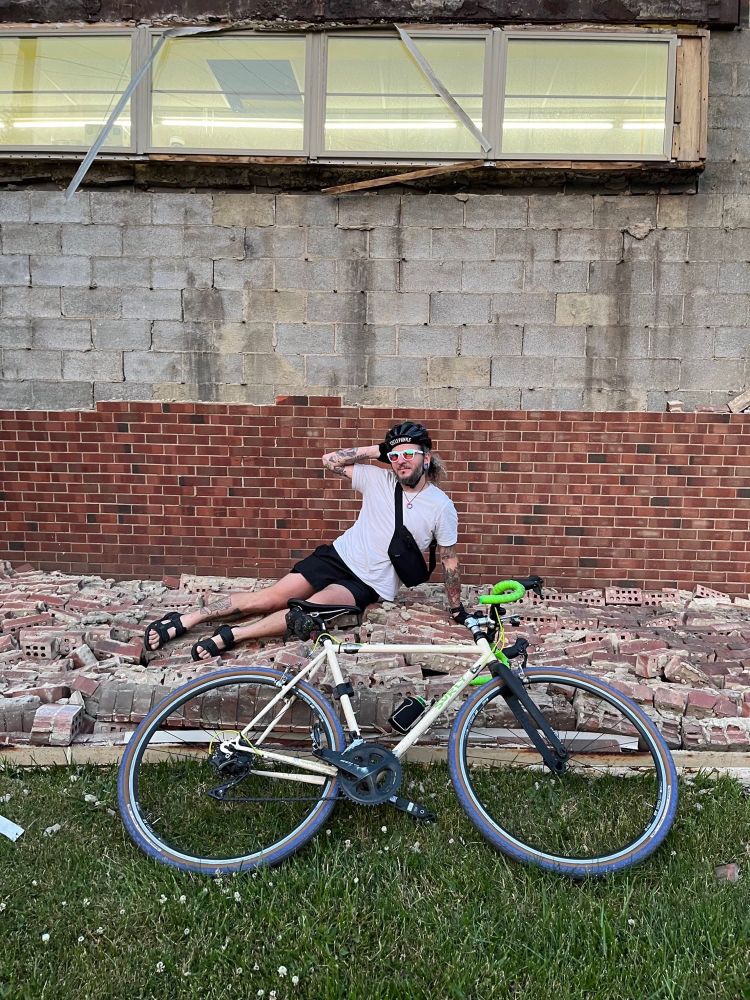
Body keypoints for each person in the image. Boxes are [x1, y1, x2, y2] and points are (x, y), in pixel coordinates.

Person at [143, 421, 465, 661]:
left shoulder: (440, 506)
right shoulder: (378, 477)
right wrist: (379, 450)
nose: (401, 460)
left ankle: (234, 635)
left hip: (369, 583)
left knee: (307, 612)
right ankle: (187, 619)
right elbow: (330, 460)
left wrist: (456, 608)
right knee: (269, 598)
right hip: (337, 556)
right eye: (394, 456)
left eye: (409, 453)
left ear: (426, 457)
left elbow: (449, 559)